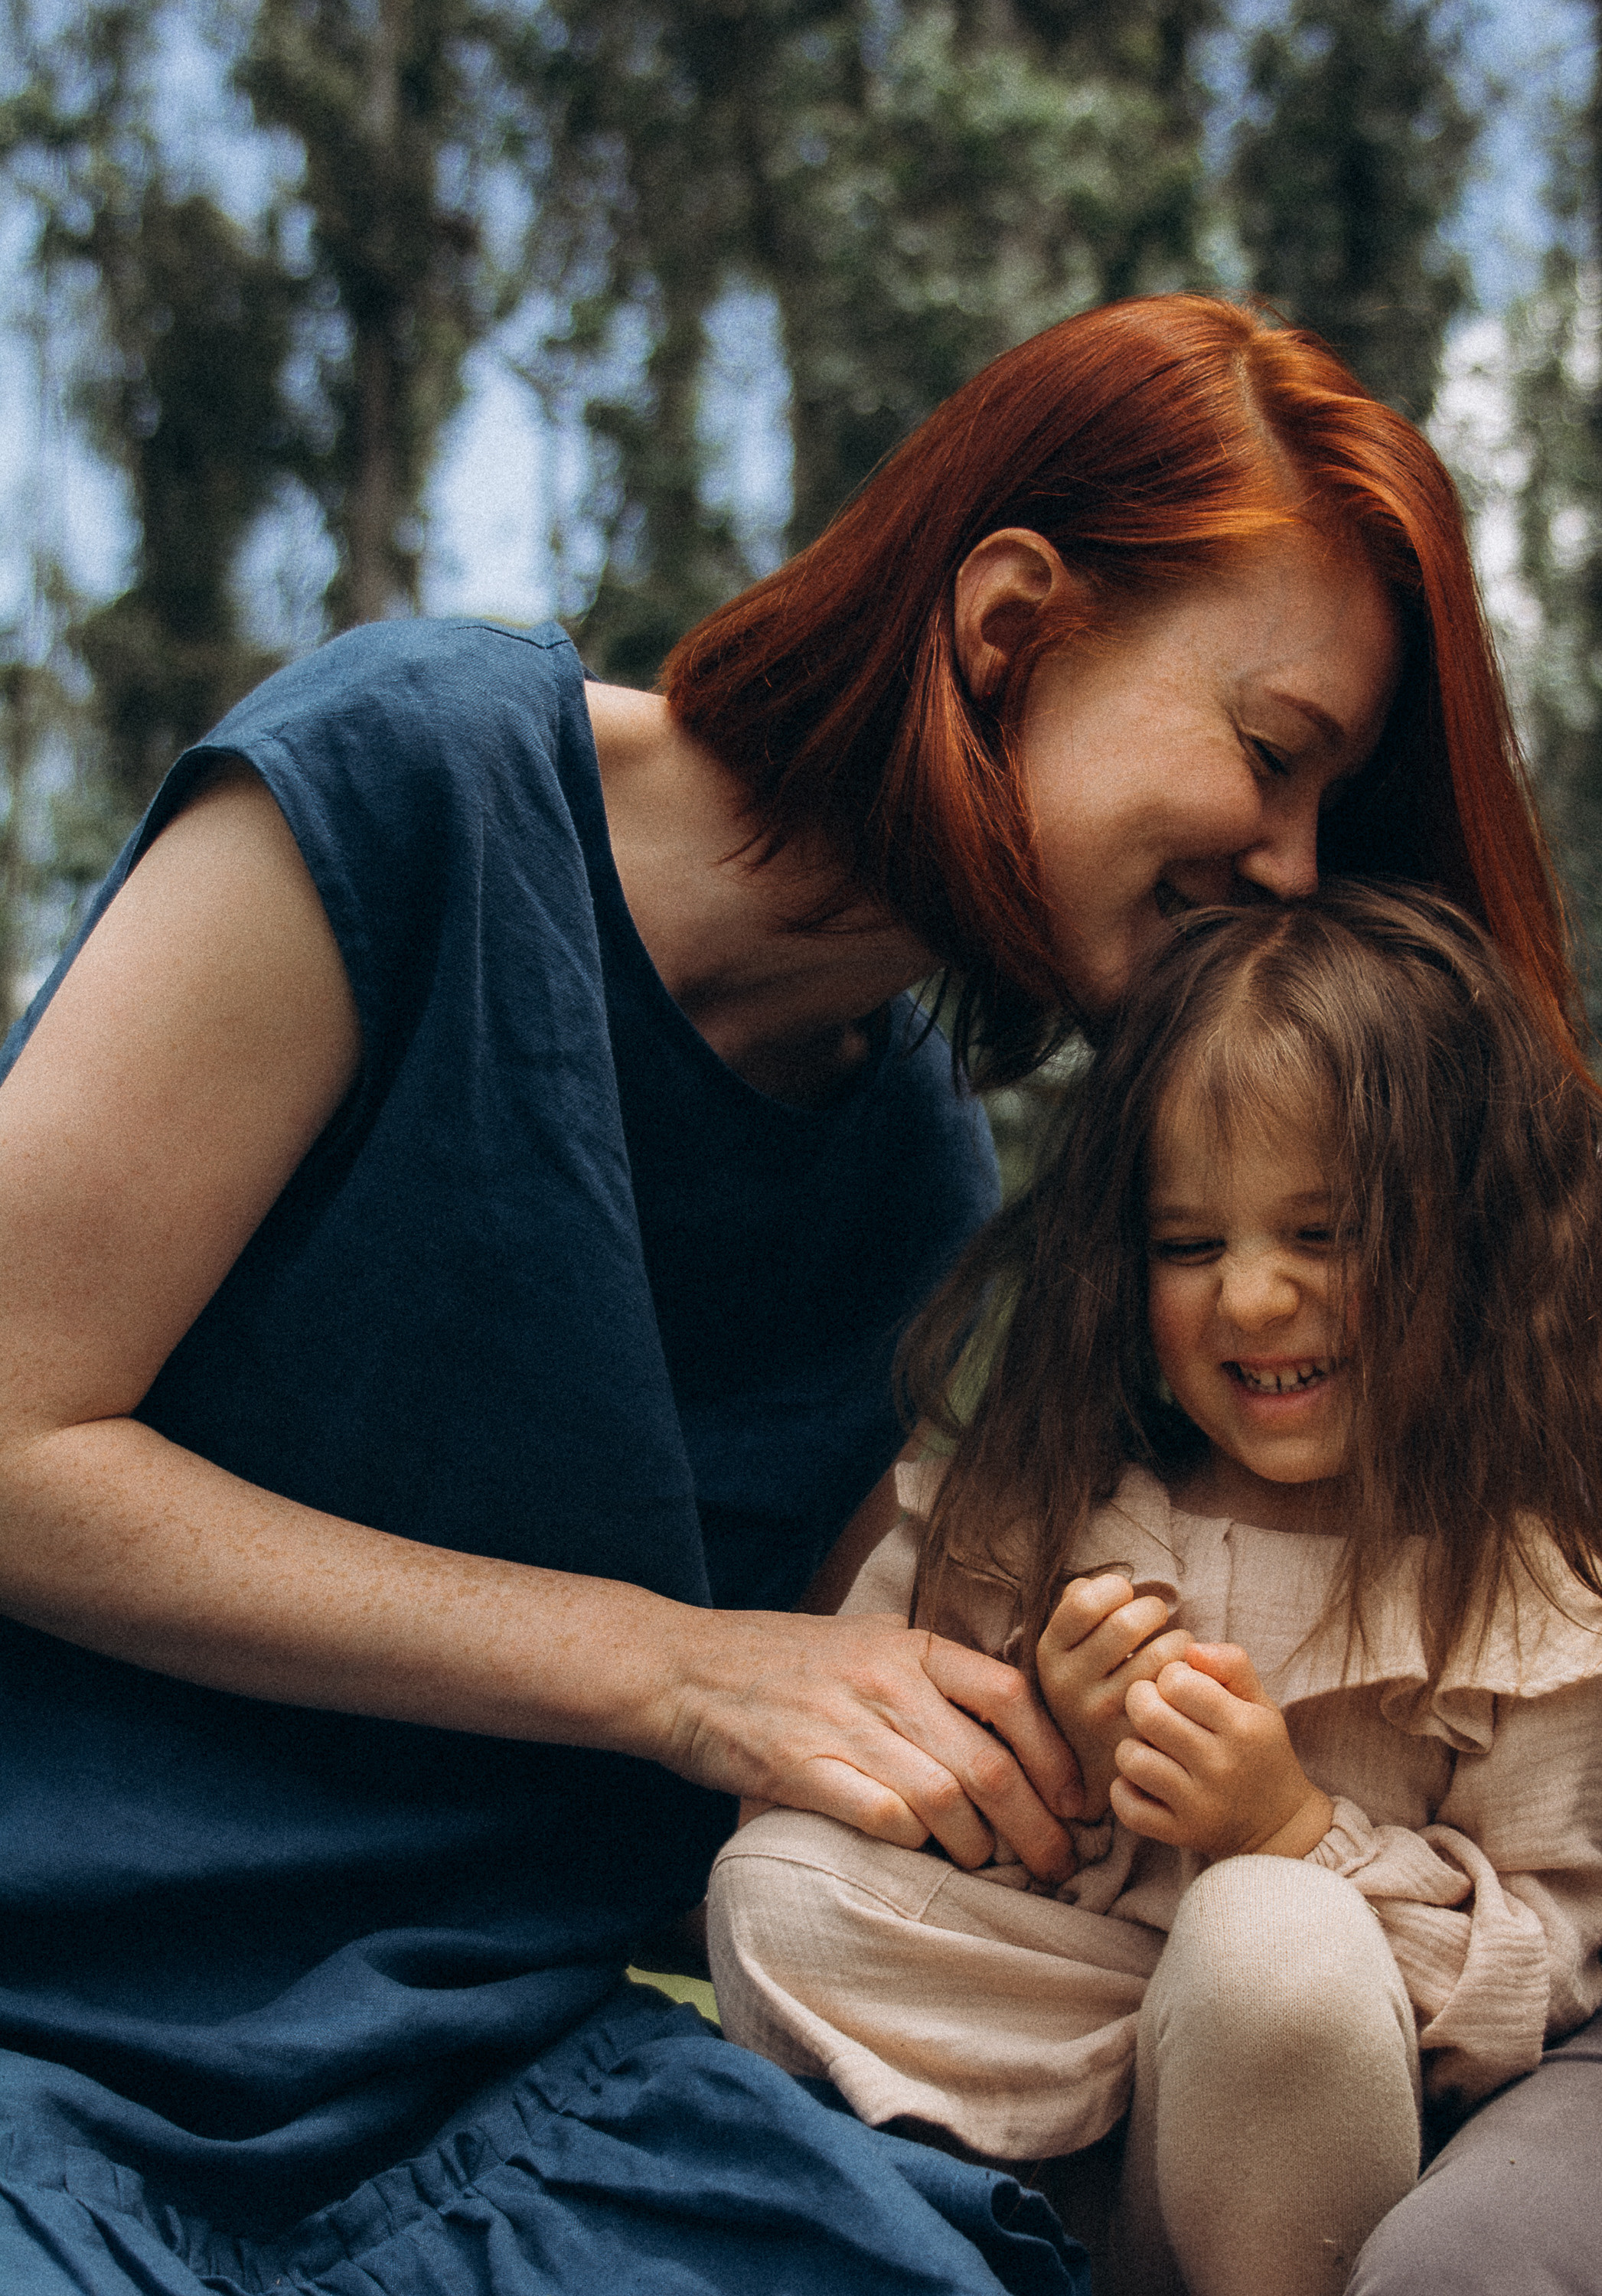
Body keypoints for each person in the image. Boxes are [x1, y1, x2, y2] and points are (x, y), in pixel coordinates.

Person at [0, 293, 1581, 2294]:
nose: (1286, 867)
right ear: (1006, 625)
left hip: (510, 2096)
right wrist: (672, 1667)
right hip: (62, 2016)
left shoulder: (913, 1173)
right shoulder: (422, 780)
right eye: (1272, 757)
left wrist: (1211, 1817)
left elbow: (848, 1747)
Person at [707, 883, 1602, 2296]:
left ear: (1476, 1240)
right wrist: (1045, 1753)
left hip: (1307, 2137)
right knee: (777, 1887)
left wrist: (1291, 1836)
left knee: (1268, 1944)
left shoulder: (1520, 1592)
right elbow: (837, 1773)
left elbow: (1545, 1974)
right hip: (1051, 2064)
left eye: (1323, 1233)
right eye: (1190, 1246)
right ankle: (985, 2249)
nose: (1249, 1299)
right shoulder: (1035, 1511)